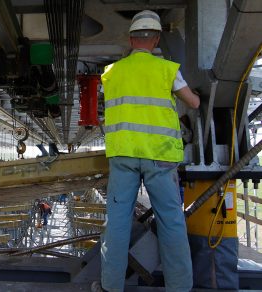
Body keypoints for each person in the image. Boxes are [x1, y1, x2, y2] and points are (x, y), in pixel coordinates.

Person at [99, 10, 200, 292]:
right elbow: (192, 103)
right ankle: (179, 287)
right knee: (171, 222)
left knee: (117, 223)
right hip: (160, 157)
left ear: (131, 39)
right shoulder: (167, 69)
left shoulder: (111, 73)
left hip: (123, 156)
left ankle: (110, 286)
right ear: (156, 39)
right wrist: (198, 97)